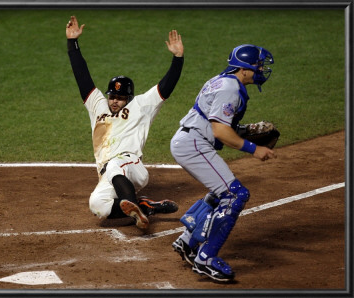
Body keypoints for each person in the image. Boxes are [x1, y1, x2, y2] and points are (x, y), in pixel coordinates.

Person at [66, 16, 184, 229]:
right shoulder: (98, 107)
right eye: (112, 97)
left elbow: (165, 87)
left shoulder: (140, 106)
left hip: (132, 167)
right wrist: (72, 43)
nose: (114, 101)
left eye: (119, 98)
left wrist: (178, 58)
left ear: (128, 98)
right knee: (97, 205)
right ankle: (145, 206)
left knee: (114, 165)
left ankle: (136, 213)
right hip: (110, 175)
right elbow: (81, 76)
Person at [170, 44, 276, 281]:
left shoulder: (223, 80)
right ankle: (205, 259)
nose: (260, 69)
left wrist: (246, 129)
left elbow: (217, 122)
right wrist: (254, 148)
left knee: (220, 193)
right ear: (245, 68)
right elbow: (219, 131)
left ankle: (187, 241)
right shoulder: (230, 89)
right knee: (235, 195)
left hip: (190, 140)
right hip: (194, 144)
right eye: (258, 65)